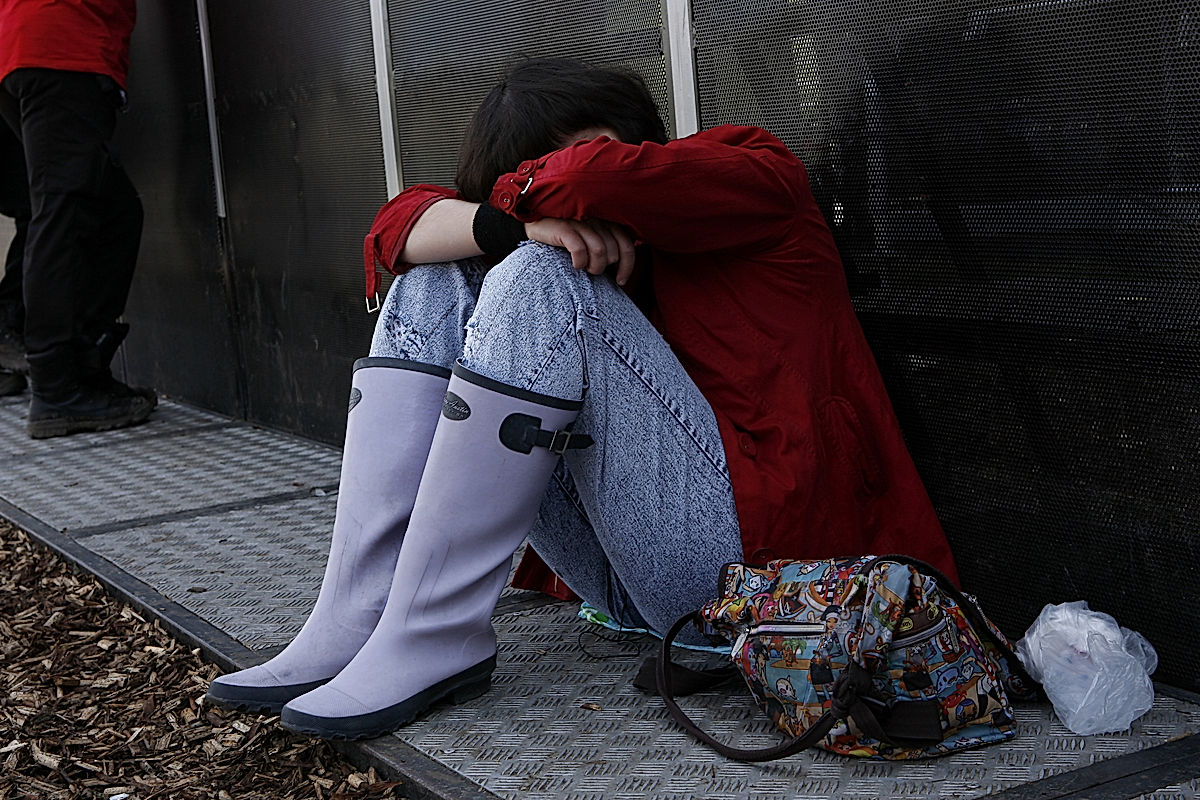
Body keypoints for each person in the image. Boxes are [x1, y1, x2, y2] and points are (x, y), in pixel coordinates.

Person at [206, 58, 959, 740]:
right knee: (436, 275)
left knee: (539, 276)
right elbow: (393, 228)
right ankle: (361, 614)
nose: (555, 193)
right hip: (622, 584)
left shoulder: (751, 167)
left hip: (762, 584)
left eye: (555, 163)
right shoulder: (561, 233)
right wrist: (511, 222)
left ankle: (433, 635)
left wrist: (527, 215)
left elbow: (595, 181)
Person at [0, 0, 155, 438]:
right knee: (63, 217)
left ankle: (81, 370)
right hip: (61, 45)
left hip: (35, 43)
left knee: (112, 213)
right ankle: (57, 388)